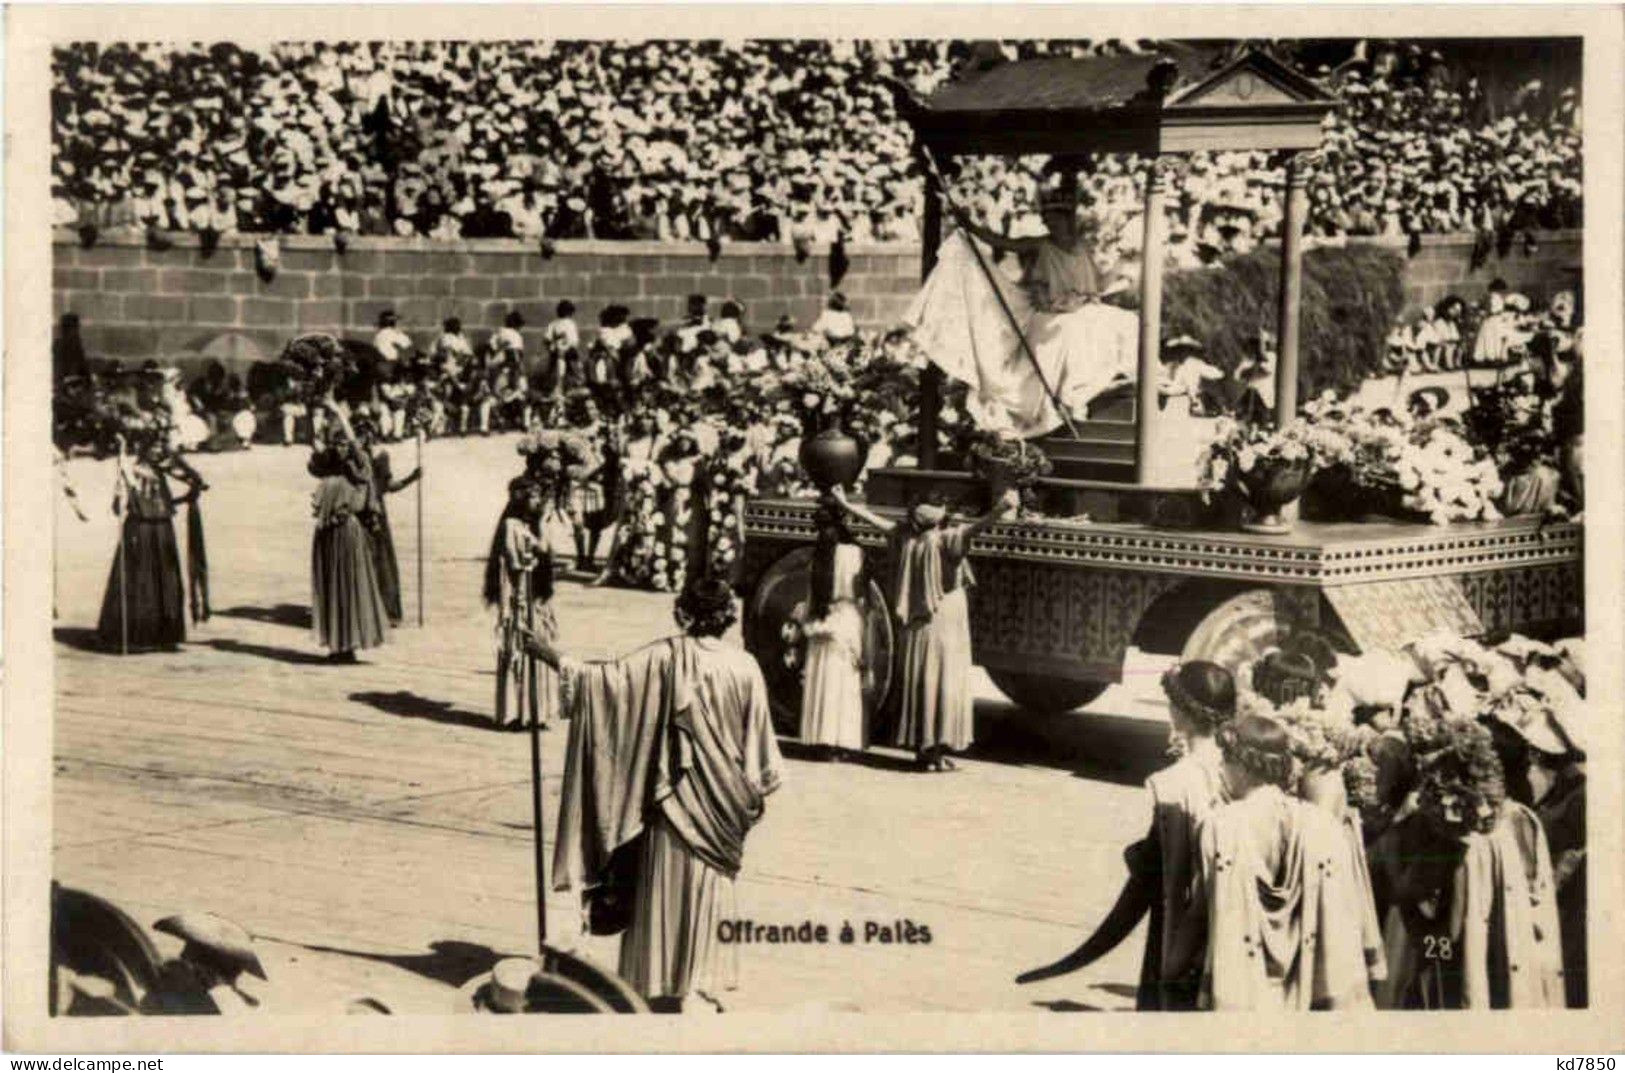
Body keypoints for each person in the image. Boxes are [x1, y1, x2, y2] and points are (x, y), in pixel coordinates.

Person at [529, 575, 785, 1012]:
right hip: (722, 810)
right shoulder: (745, 666)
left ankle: (660, 982)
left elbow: (602, 683)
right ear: (727, 618)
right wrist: (747, 796)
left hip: (676, 806)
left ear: (683, 615)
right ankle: (701, 984)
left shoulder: (667, 657)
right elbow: (760, 752)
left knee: (667, 894)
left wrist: (548, 655)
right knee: (709, 891)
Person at [1015, 660, 1237, 1007]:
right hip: (1231, 923)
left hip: (1178, 922)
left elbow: (1150, 874)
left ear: (1182, 713)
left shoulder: (1174, 783)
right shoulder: (1241, 771)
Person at [903, 177, 1138, 436]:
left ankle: (1115, 382)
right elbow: (1000, 243)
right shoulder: (1041, 245)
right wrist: (969, 225)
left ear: (1067, 220)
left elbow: (1098, 285)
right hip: (1049, 314)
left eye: (1054, 219)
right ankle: (1072, 396)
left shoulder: (1082, 248)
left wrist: (1120, 266)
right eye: (1046, 220)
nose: (1049, 224)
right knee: (1072, 331)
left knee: (1123, 320)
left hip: (1083, 310)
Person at [1173, 714, 1376, 1010]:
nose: (1220, 768)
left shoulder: (1220, 826)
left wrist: (1170, 968)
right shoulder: (1321, 825)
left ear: (1242, 766)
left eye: (1225, 759)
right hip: (1306, 988)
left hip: (1240, 985)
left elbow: (1199, 914)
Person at [828, 485, 1016, 771]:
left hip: (917, 621)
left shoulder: (904, 537)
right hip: (948, 617)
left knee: (920, 679)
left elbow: (873, 520)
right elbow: (979, 527)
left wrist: (846, 504)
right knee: (946, 680)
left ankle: (924, 751)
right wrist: (1001, 509)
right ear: (941, 517)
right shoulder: (949, 539)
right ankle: (937, 751)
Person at [96, 433, 203, 652]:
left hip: (162, 528)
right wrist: (121, 490)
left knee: (166, 579)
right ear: (145, 449)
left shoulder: (163, 471)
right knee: (140, 579)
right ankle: (136, 634)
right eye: (154, 447)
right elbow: (117, 507)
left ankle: (164, 634)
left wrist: (191, 492)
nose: (158, 452)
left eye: (161, 447)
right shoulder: (132, 471)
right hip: (140, 528)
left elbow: (178, 492)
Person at [308, 401, 391, 663]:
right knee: (332, 587)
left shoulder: (361, 468)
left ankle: (350, 643)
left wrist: (340, 413)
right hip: (327, 533)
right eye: (338, 443)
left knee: (349, 586)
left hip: (348, 531)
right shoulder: (328, 468)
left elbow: (355, 446)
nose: (342, 447)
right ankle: (337, 645)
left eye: (345, 443)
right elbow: (315, 450)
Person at [483, 476, 560, 730]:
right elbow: (515, 562)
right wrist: (529, 559)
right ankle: (517, 711)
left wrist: (542, 525)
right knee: (519, 648)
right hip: (520, 598)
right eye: (534, 496)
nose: (538, 501)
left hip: (537, 596)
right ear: (523, 499)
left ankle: (538, 712)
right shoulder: (511, 526)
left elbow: (546, 548)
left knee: (540, 646)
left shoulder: (537, 524)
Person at [798, 503, 870, 760]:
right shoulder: (855, 554)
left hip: (823, 618)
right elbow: (862, 593)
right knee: (844, 683)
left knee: (822, 679)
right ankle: (842, 742)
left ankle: (821, 740)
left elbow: (810, 595)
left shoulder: (818, 556)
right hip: (847, 617)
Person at [354, 411, 420, 628]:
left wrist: (412, 477)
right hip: (362, 511)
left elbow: (389, 486)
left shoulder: (378, 456)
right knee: (372, 560)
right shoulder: (356, 456)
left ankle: (381, 610)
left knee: (379, 560)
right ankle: (370, 609)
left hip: (372, 512)